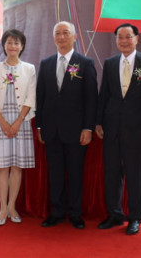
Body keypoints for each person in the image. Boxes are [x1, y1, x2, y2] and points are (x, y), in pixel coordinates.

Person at [95, 23, 141, 235]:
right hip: (112, 129)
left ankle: (134, 218)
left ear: (137, 39)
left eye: (128, 36)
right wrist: (99, 122)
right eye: (120, 37)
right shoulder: (110, 63)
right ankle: (114, 214)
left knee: (135, 177)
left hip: (137, 130)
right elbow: (104, 95)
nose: (124, 41)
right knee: (112, 175)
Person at [36, 21, 97, 229]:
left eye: (66, 33)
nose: (61, 37)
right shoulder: (46, 63)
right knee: (54, 173)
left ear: (75, 37)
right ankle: (57, 212)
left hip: (76, 130)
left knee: (75, 173)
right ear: (54, 37)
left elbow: (91, 98)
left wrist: (88, 127)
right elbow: (41, 96)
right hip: (51, 130)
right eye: (58, 33)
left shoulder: (85, 63)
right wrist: (40, 126)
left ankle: (75, 213)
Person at [0, 29, 37, 226]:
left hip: (21, 122)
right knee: (2, 167)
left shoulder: (29, 69)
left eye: (16, 43)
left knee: (16, 167)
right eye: (9, 43)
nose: (12, 46)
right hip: (0, 122)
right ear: (4, 46)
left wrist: (17, 122)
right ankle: (2, 208)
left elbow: (31, 97)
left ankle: (12, 206)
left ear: (22, 46)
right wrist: (2, 122)